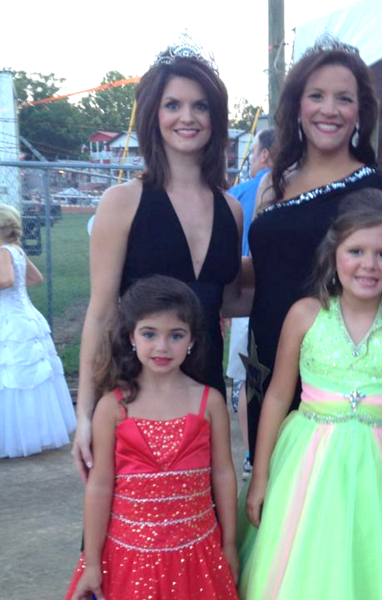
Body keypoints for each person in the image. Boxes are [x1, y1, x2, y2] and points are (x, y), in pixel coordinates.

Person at [238, 191, 382, 600]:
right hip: (308, 465)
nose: (369, 264)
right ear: (334, 253)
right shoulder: (304, 315)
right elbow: (277, 397)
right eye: (356, 251)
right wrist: (260, 476)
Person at [246, 35, 382, 461]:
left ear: (360, 113)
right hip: (269, 370)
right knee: (278, 501)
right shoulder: (273, 184)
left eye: (343, 98)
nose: (329, 109)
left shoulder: (381, 191)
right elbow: (266, 269)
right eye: (316, 95)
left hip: (347, 382)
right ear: (298, 105)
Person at [72, 36, 244, 479]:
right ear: (154, 114)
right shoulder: (121, 202)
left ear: (215, 118)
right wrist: (85, 413)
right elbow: (100, 313)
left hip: (204, 390)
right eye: (173, 105)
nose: (187, 117)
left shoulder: (232, 209)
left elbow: (225, 299)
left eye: (200, 106)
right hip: (135, 392)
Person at [64, 275, 239, 600]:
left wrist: (228, 544)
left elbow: (224, 474)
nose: (162, 346)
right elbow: (100, 484)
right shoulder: (112, 407)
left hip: (198, 557)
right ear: (131, 336)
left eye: (176, 335)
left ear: (192, 340)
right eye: (149, 334)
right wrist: (91, 560)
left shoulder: (209, 401)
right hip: (128, 559)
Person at [0, 204, 76, 458]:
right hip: (25, 313)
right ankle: (31, 431)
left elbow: (6, 281)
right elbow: (35, 278)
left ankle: (15, 435)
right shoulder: (16, 250)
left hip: (10, 318)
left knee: (14, 376)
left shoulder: (2, 251)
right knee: (25, 375)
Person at [227, 127, 275, 479]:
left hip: (243, 299)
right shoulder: (295, 188)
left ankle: (250, 452)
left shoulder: (237, 194)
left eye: (255, 150)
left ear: (265, 155)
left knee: (250, 382)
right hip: (272, 299)